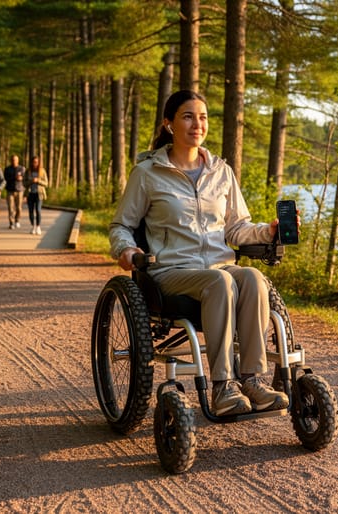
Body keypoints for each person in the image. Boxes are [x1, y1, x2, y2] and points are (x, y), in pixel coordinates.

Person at [109, 90, 290, 416]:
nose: (198, 124)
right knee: (219, 282)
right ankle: (222, 387)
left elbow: (236, 228)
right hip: (171, 271)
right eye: (188, 116)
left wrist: (269, 232)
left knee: (253, 277)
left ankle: (251, 380)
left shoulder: (221, 171)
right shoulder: (147, 174)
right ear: (169, 124)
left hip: (219, 266)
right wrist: (126, 248)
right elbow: (121, 225)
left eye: (203, 117)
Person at [25, 156, 48, 235]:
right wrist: (31, 181)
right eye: (33, 162)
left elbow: (46, 183)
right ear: (31, 162)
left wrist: (38, 181)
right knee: (30, 211)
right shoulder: (28, 171)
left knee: (38, 210)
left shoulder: (42, 171)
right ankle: (33, 226)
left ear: (39, 163)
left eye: (36, 162)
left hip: (39, 194)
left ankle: (38, 226)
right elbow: (24, 183)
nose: (35, 163)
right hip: (30, 194)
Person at [3, 155, 26, 229]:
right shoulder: (7, 169)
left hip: (19, 190)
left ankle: (17, 220)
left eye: (15, 160)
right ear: (11, 160)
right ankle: (11, 223)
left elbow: (25, 178)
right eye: (13, 160)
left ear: (18, 160)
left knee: (19, 208)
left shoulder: (22, 168)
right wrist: (14, 177)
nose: (14, 161)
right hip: (10, 190)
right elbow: (5, 178)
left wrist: (21, 178)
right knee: (10, 208)